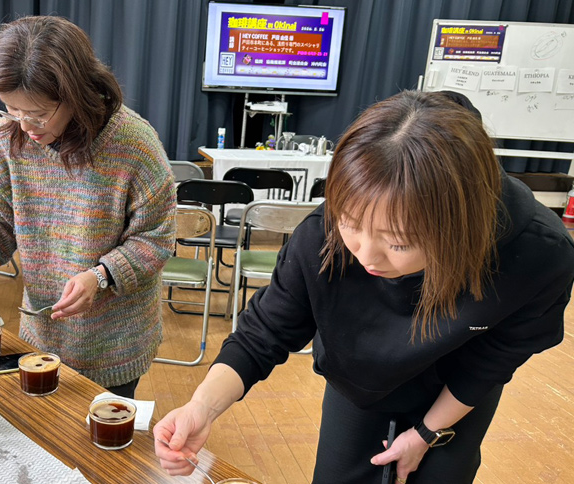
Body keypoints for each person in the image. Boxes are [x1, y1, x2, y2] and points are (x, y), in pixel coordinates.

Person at [153, 90, 574, 483]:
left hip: (459, 384)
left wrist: (426, 433)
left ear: (459, 228)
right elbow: (264, 332)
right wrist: (201, 408)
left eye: (399, 242)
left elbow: (494, 359)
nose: (366, 256)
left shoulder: (537, 254)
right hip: (360, 379)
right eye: (351, 224)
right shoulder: (323, 233)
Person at [0, 16, 176, 399]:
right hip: (42, 332)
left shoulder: (133, 143)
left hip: (115, 340)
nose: (26, 125)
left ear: (77, 93)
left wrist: (101, 276)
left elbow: (156, 237)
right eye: (12, 110)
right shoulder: (9, 138)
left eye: (38, 114)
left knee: (103, 444)